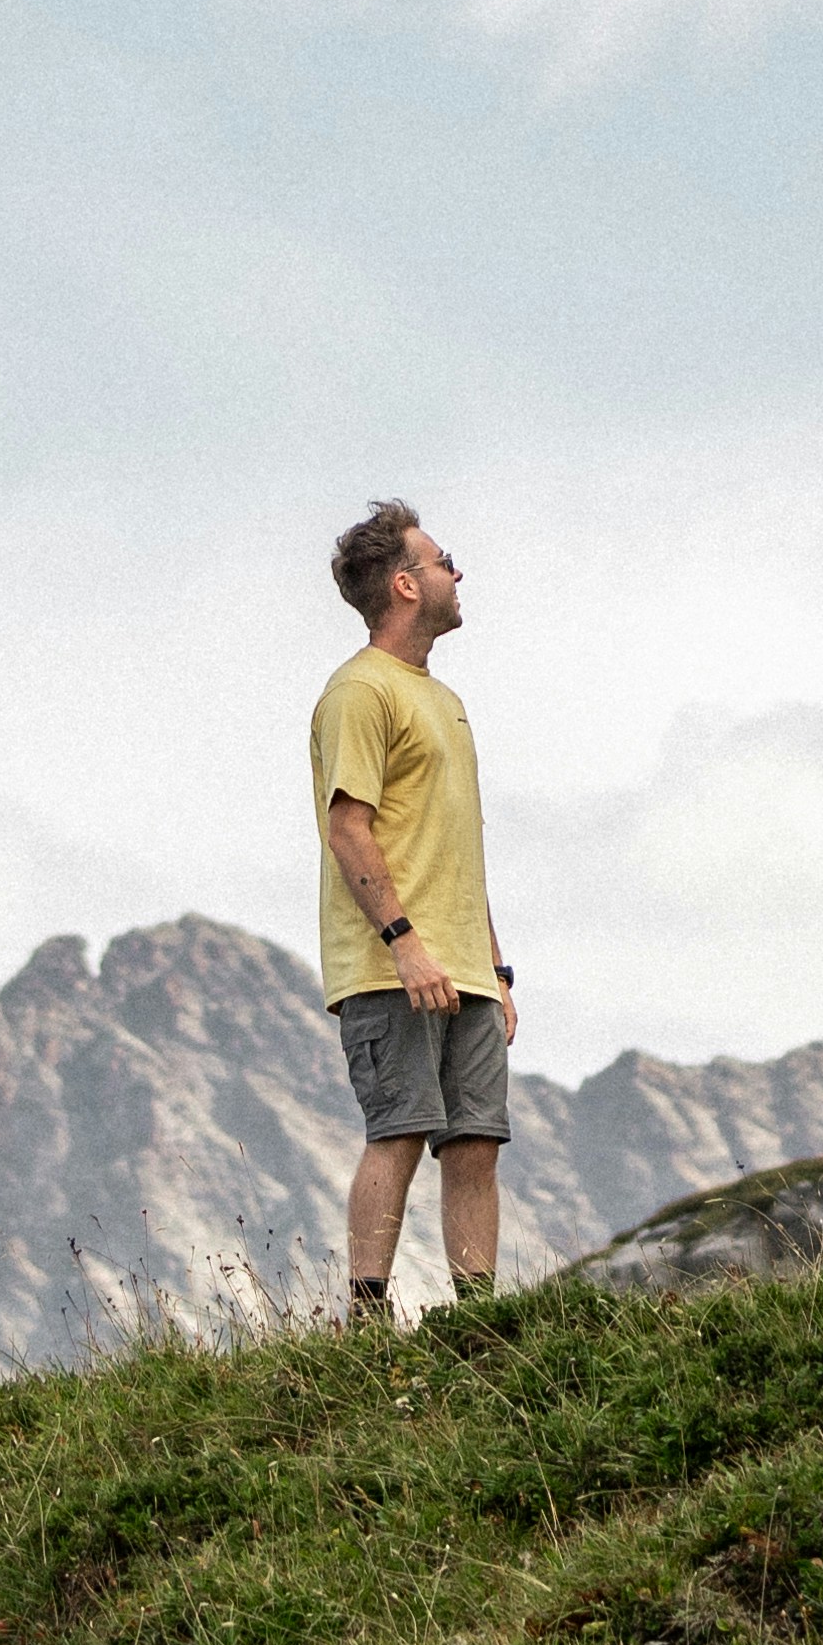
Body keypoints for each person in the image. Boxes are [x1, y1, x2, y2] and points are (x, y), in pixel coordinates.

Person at [309, 498, 512, 1321]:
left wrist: (495, 967)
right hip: (395, 963)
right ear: (403, 583)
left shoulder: (447, 700)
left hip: (463, 966)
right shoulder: (358, 692)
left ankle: (479, 1322)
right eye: (441, 560)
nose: (457, 573)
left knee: (474, 1145)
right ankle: (365, 1321)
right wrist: (404, 943)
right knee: (398, 1131)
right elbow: (345, 827)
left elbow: (460, 843)